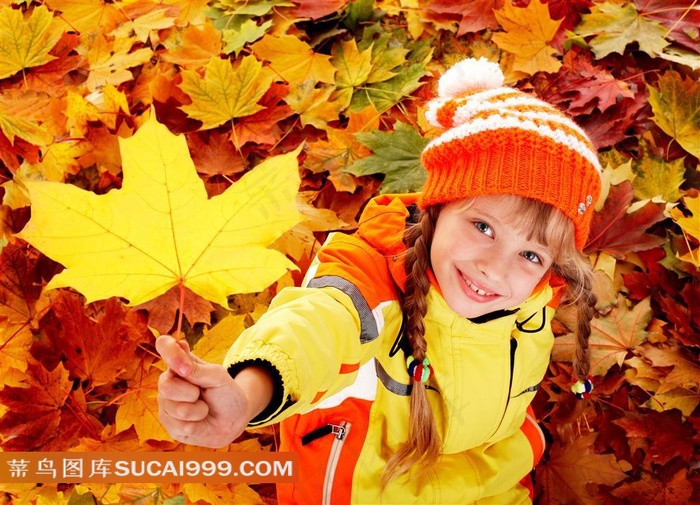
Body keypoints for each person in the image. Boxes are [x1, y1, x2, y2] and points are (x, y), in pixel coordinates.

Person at [156, 57, 601, 504]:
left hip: (490, 484)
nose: (495, 268)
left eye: (529, 254)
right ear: (438, 207)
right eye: (483, 227)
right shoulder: (372, 278)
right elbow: (316, 326)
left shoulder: (534, 300)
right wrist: (247, 392)